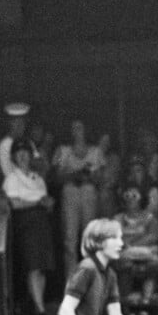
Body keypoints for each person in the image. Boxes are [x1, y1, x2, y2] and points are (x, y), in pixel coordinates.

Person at [3, 142, 56, 315]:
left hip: (42, 223)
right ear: (13, 158)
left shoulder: (38, 178)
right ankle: (38, 308)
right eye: (18, 153)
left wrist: (47, 204)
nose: (23, 156)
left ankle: (38, 305)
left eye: (25, 152)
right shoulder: (12, 179)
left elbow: (45, 201)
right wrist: (37, 203)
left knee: (41, 267)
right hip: (25, 224)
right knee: (32, 266)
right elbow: (15, 204)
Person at [53, 119, 102, 279]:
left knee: (90, 240)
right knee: (70, 241)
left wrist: (87, 175)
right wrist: (75, 175)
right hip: (70, 194)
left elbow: (100, 178)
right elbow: (57, 177)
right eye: (74, 128)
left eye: (80, 127)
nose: (77, 131)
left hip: (88, 194)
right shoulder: (63, 150)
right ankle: (71, 283)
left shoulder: (95, 151)